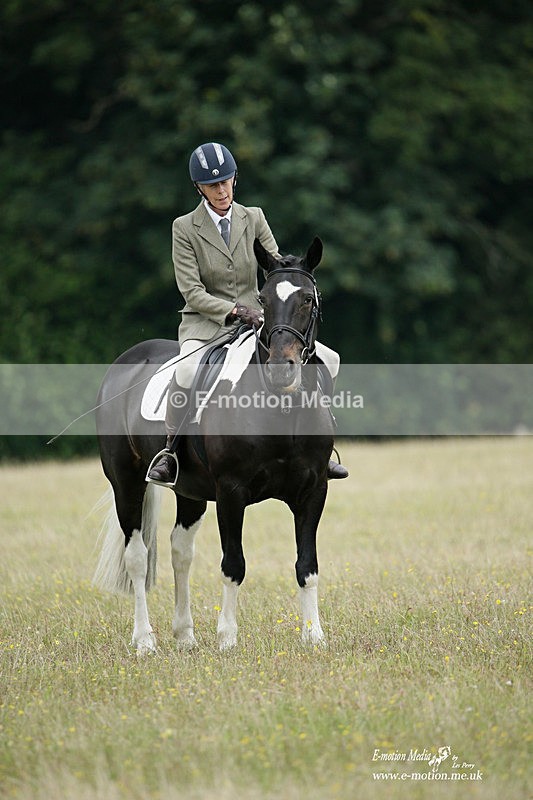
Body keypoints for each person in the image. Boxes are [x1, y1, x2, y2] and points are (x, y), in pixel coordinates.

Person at [147, 142, 348, 485]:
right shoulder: (184, 228)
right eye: (213, 185)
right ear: (199, 188)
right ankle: (170, 451)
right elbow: (191, 292)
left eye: (226, 181)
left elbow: (275, 264)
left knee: (329, 359)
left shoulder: (253, 217)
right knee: (186, 370)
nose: (221, 190)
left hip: (259, 319)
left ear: (234, 179)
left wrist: (293, 279)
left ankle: (320, 446)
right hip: (206, 324)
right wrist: (234, 310)